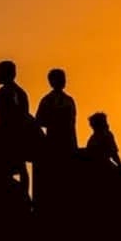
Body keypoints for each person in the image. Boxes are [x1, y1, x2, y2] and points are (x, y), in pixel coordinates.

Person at [34, 68, 79, 212]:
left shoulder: (69, 100)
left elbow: (72, 122)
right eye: (59, 79)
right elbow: (39, 121)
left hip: (69, 143)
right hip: (54, 145)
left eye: (63, 78)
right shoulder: (47, 101)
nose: (62, 81)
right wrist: (55, 120)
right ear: (51, 82)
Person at [0, 60, 34, 197]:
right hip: (18, 136)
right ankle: (23, 196)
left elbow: (7, 118)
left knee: (8, 170)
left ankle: (18, 197)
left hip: (10, 137)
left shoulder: (5, 92)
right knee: (21, 168)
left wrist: (2, 137)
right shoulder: (20, 92)